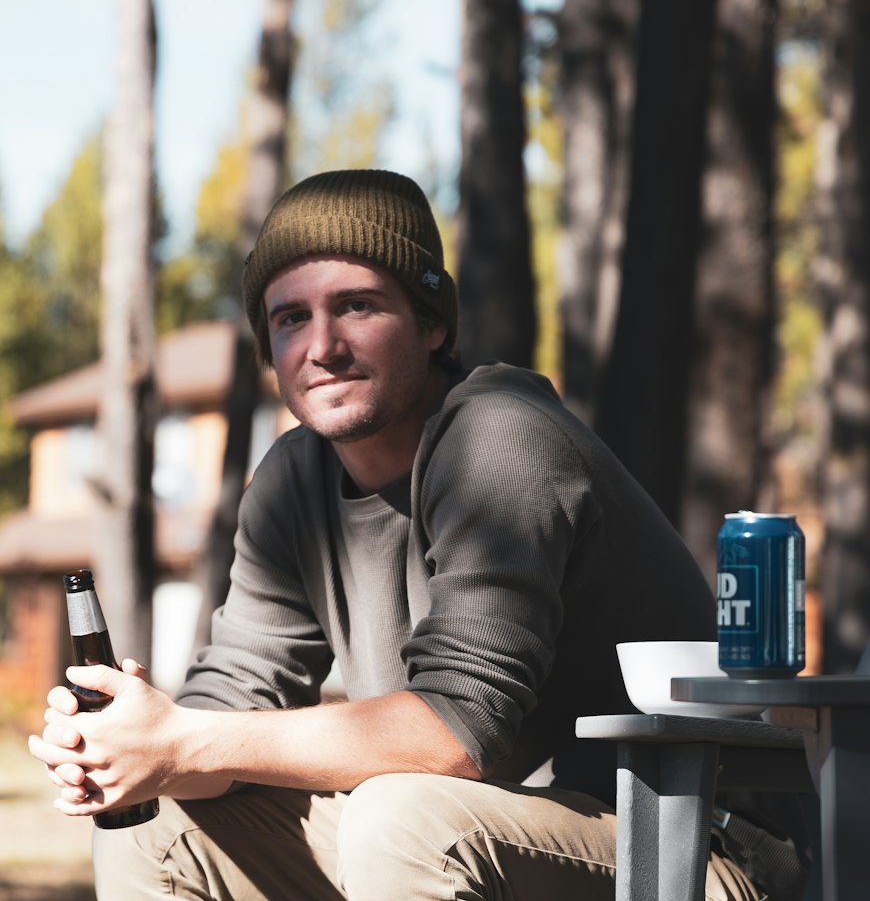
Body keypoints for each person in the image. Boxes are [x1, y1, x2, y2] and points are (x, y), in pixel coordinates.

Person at [29, 170, 809, 900]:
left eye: (358, 306)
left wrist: (183, 743)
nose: (323, 345)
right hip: (478, 833)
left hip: (696, 851)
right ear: (269, 350)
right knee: (152, 823)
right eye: (291, 318)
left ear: (432, 324)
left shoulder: (501, 435)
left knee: (401, 816)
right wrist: (134, 746)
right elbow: (228, 708)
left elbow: (453, 733)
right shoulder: (293, 480)